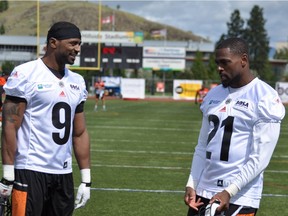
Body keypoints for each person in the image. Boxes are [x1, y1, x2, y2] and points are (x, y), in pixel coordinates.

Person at [184, 37, 285, 216]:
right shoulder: (213, 95)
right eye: (217, 63)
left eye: (225, 62)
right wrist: (192, 183)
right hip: (204, 191)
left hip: (239, 196)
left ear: (243, 60)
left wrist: (229, 191)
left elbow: (260, 158)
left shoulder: (264, 97)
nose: (219, 68)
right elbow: (202, 146)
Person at [0, 21, 91, 216]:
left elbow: (80, 133)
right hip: (30, 171)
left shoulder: (77, 81)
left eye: (79, 44)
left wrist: (86, 178)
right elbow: (10, 125)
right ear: (53, 42)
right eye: (73, 43)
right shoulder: (26, 73)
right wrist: (8, 174)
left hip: (63, 174)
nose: (78, 49)